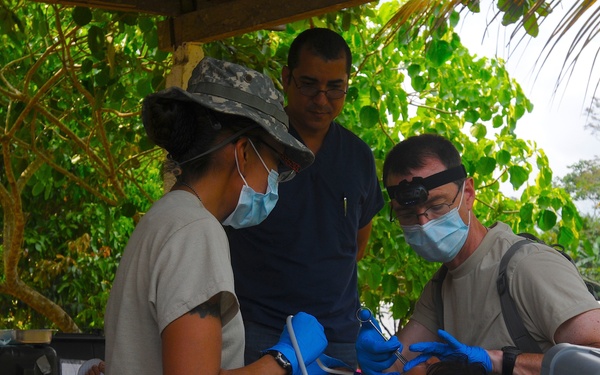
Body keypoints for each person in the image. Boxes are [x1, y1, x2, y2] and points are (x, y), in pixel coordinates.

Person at [103, 57, 328, 374]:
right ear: (244, 152)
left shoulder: (165, 217)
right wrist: (284, 360)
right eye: (276, 163)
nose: (275, 180)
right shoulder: (196, 231)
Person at [355, 133, 600, 375]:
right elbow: (400, 362)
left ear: (469, 194)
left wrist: (499, 361)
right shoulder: (440, 287)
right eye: (408, 215)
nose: (424, 223)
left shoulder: (526, 265)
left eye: (437, 206)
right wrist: (377, 359)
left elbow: (595, 360)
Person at [226, 28, 384, 369]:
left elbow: (358, 244)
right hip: (257, 327)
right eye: (309, 84)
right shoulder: (255, 144)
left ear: (347, 84)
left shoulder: (357, 157)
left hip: (336, 336)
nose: (322, 99)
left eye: (335, 88)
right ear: (286, 78)